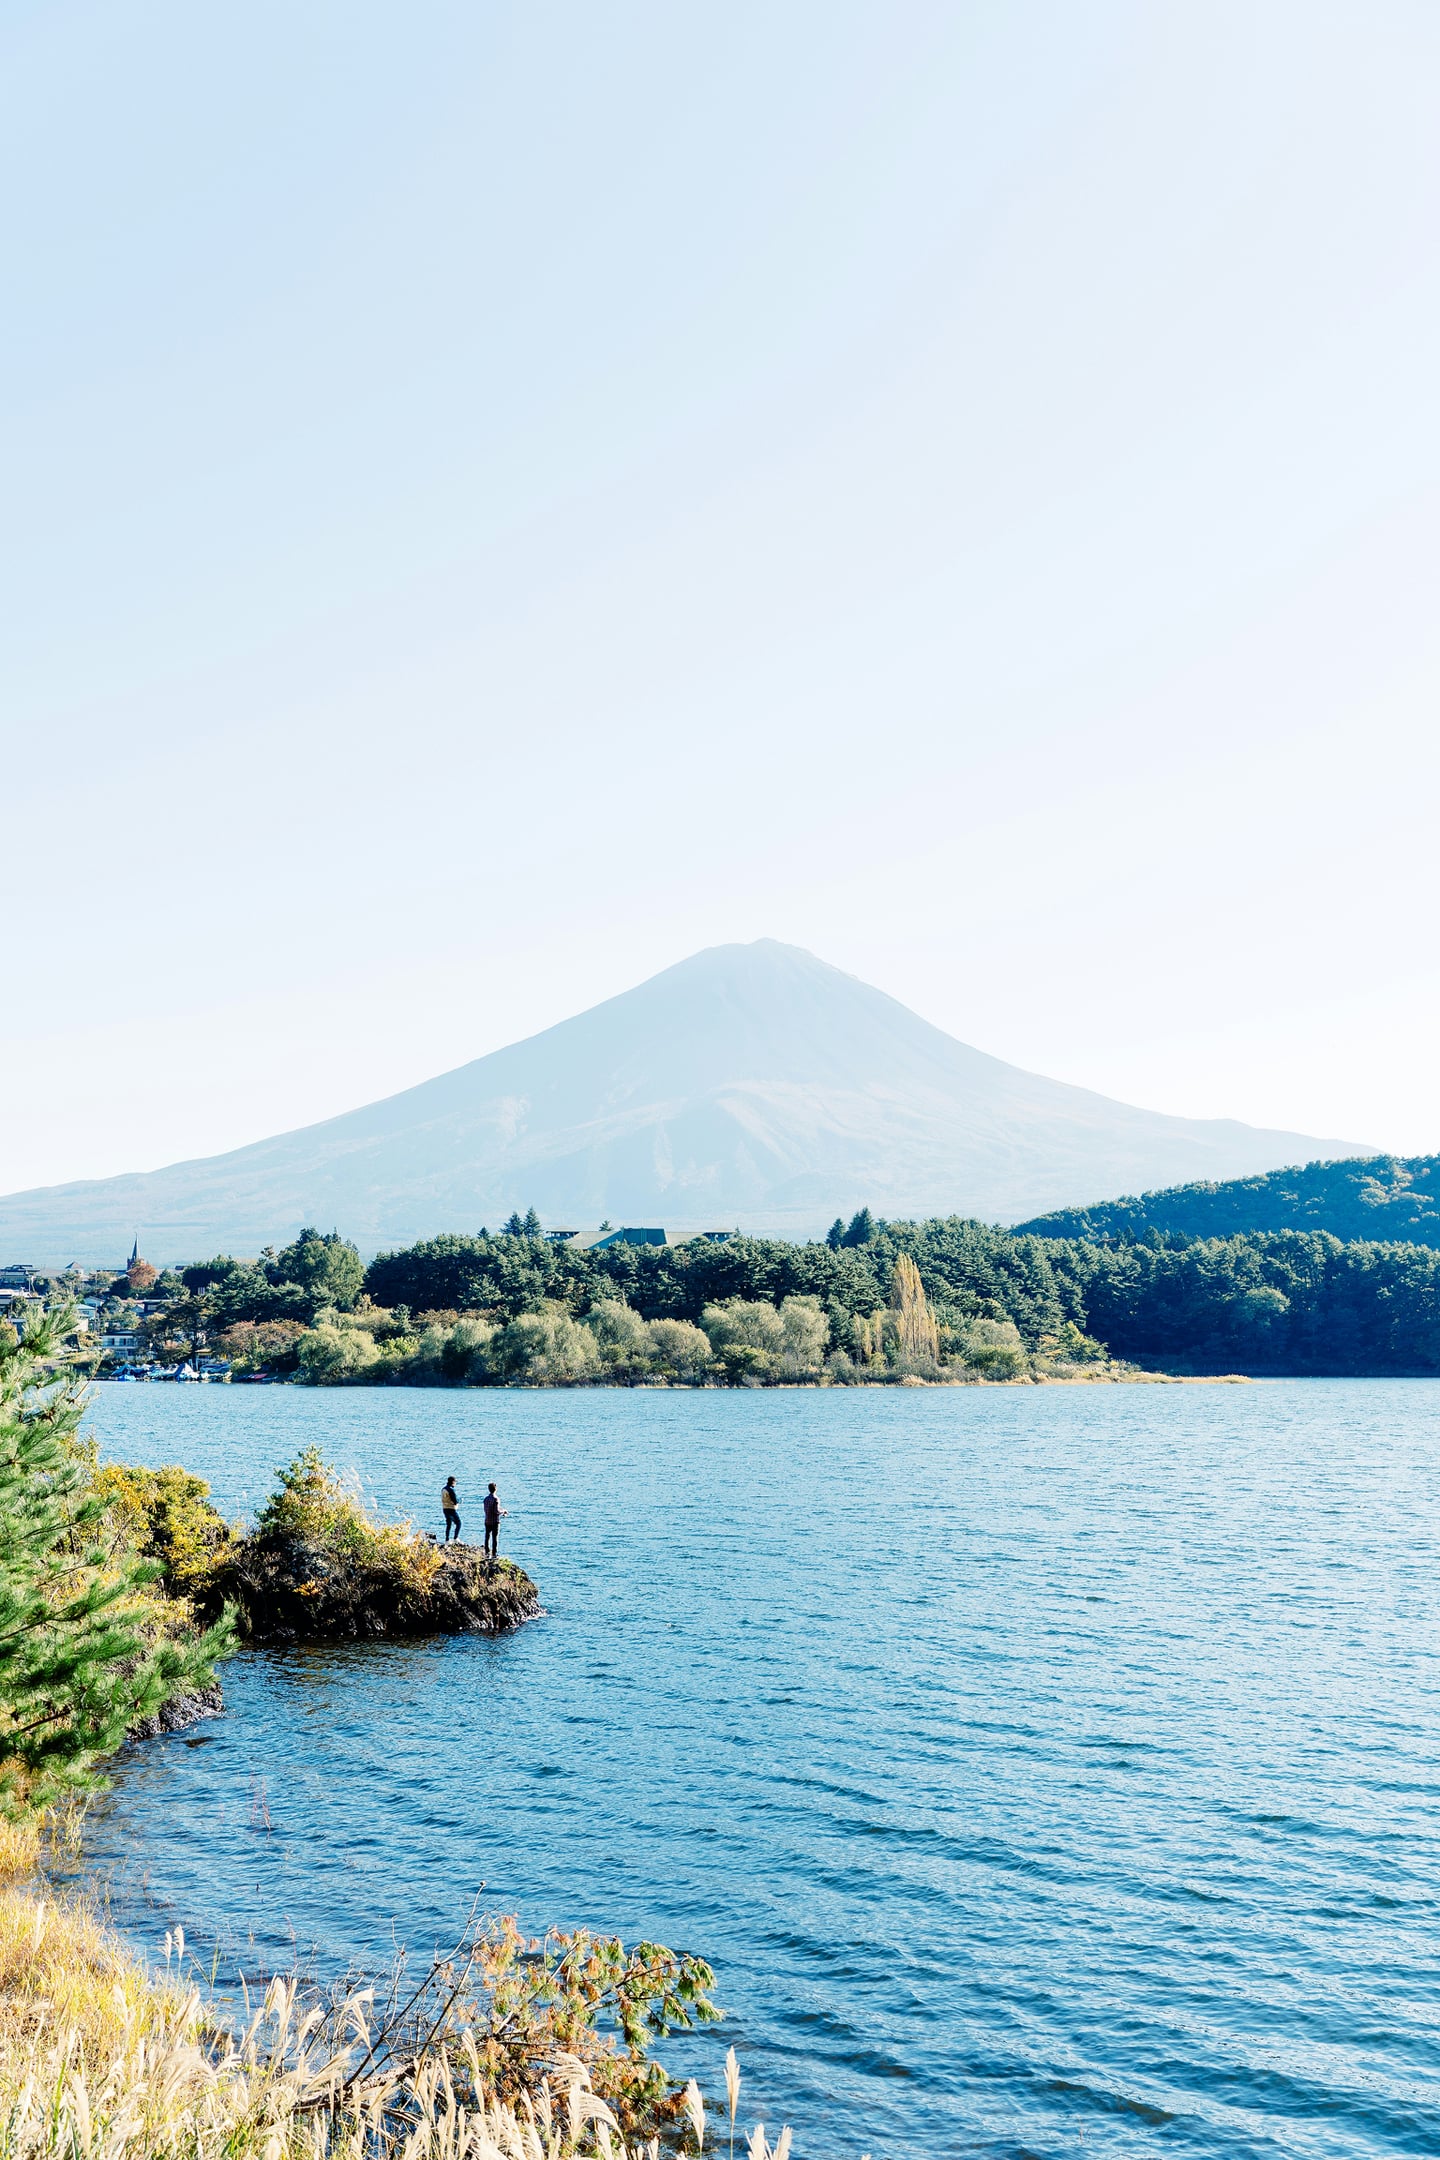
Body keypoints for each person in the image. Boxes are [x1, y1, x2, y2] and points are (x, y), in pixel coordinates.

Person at [483, 1481, 506, 1560]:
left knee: (487, 1537)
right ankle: (494, 1554)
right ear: (495, 1489)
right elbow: (496, 1511)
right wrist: (503, 1511)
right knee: (495, 1538)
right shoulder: (496, 1499)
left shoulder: (485, 1499)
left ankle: (486, 1553)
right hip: (495, 1521)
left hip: (487, 1520)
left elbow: (486, 1509)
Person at [441, 1476, 461, 1542]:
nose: (455, 1483)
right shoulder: (451, 1490)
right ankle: (456, 1538)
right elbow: (455, 1501)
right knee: (458, 1523)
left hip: (445, 1508)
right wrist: (460, 1500)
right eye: (455, 1482)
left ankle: (447, 1540)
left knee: (449, 1524)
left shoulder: (443, 1489)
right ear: (453, 1482)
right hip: (451, 1509)